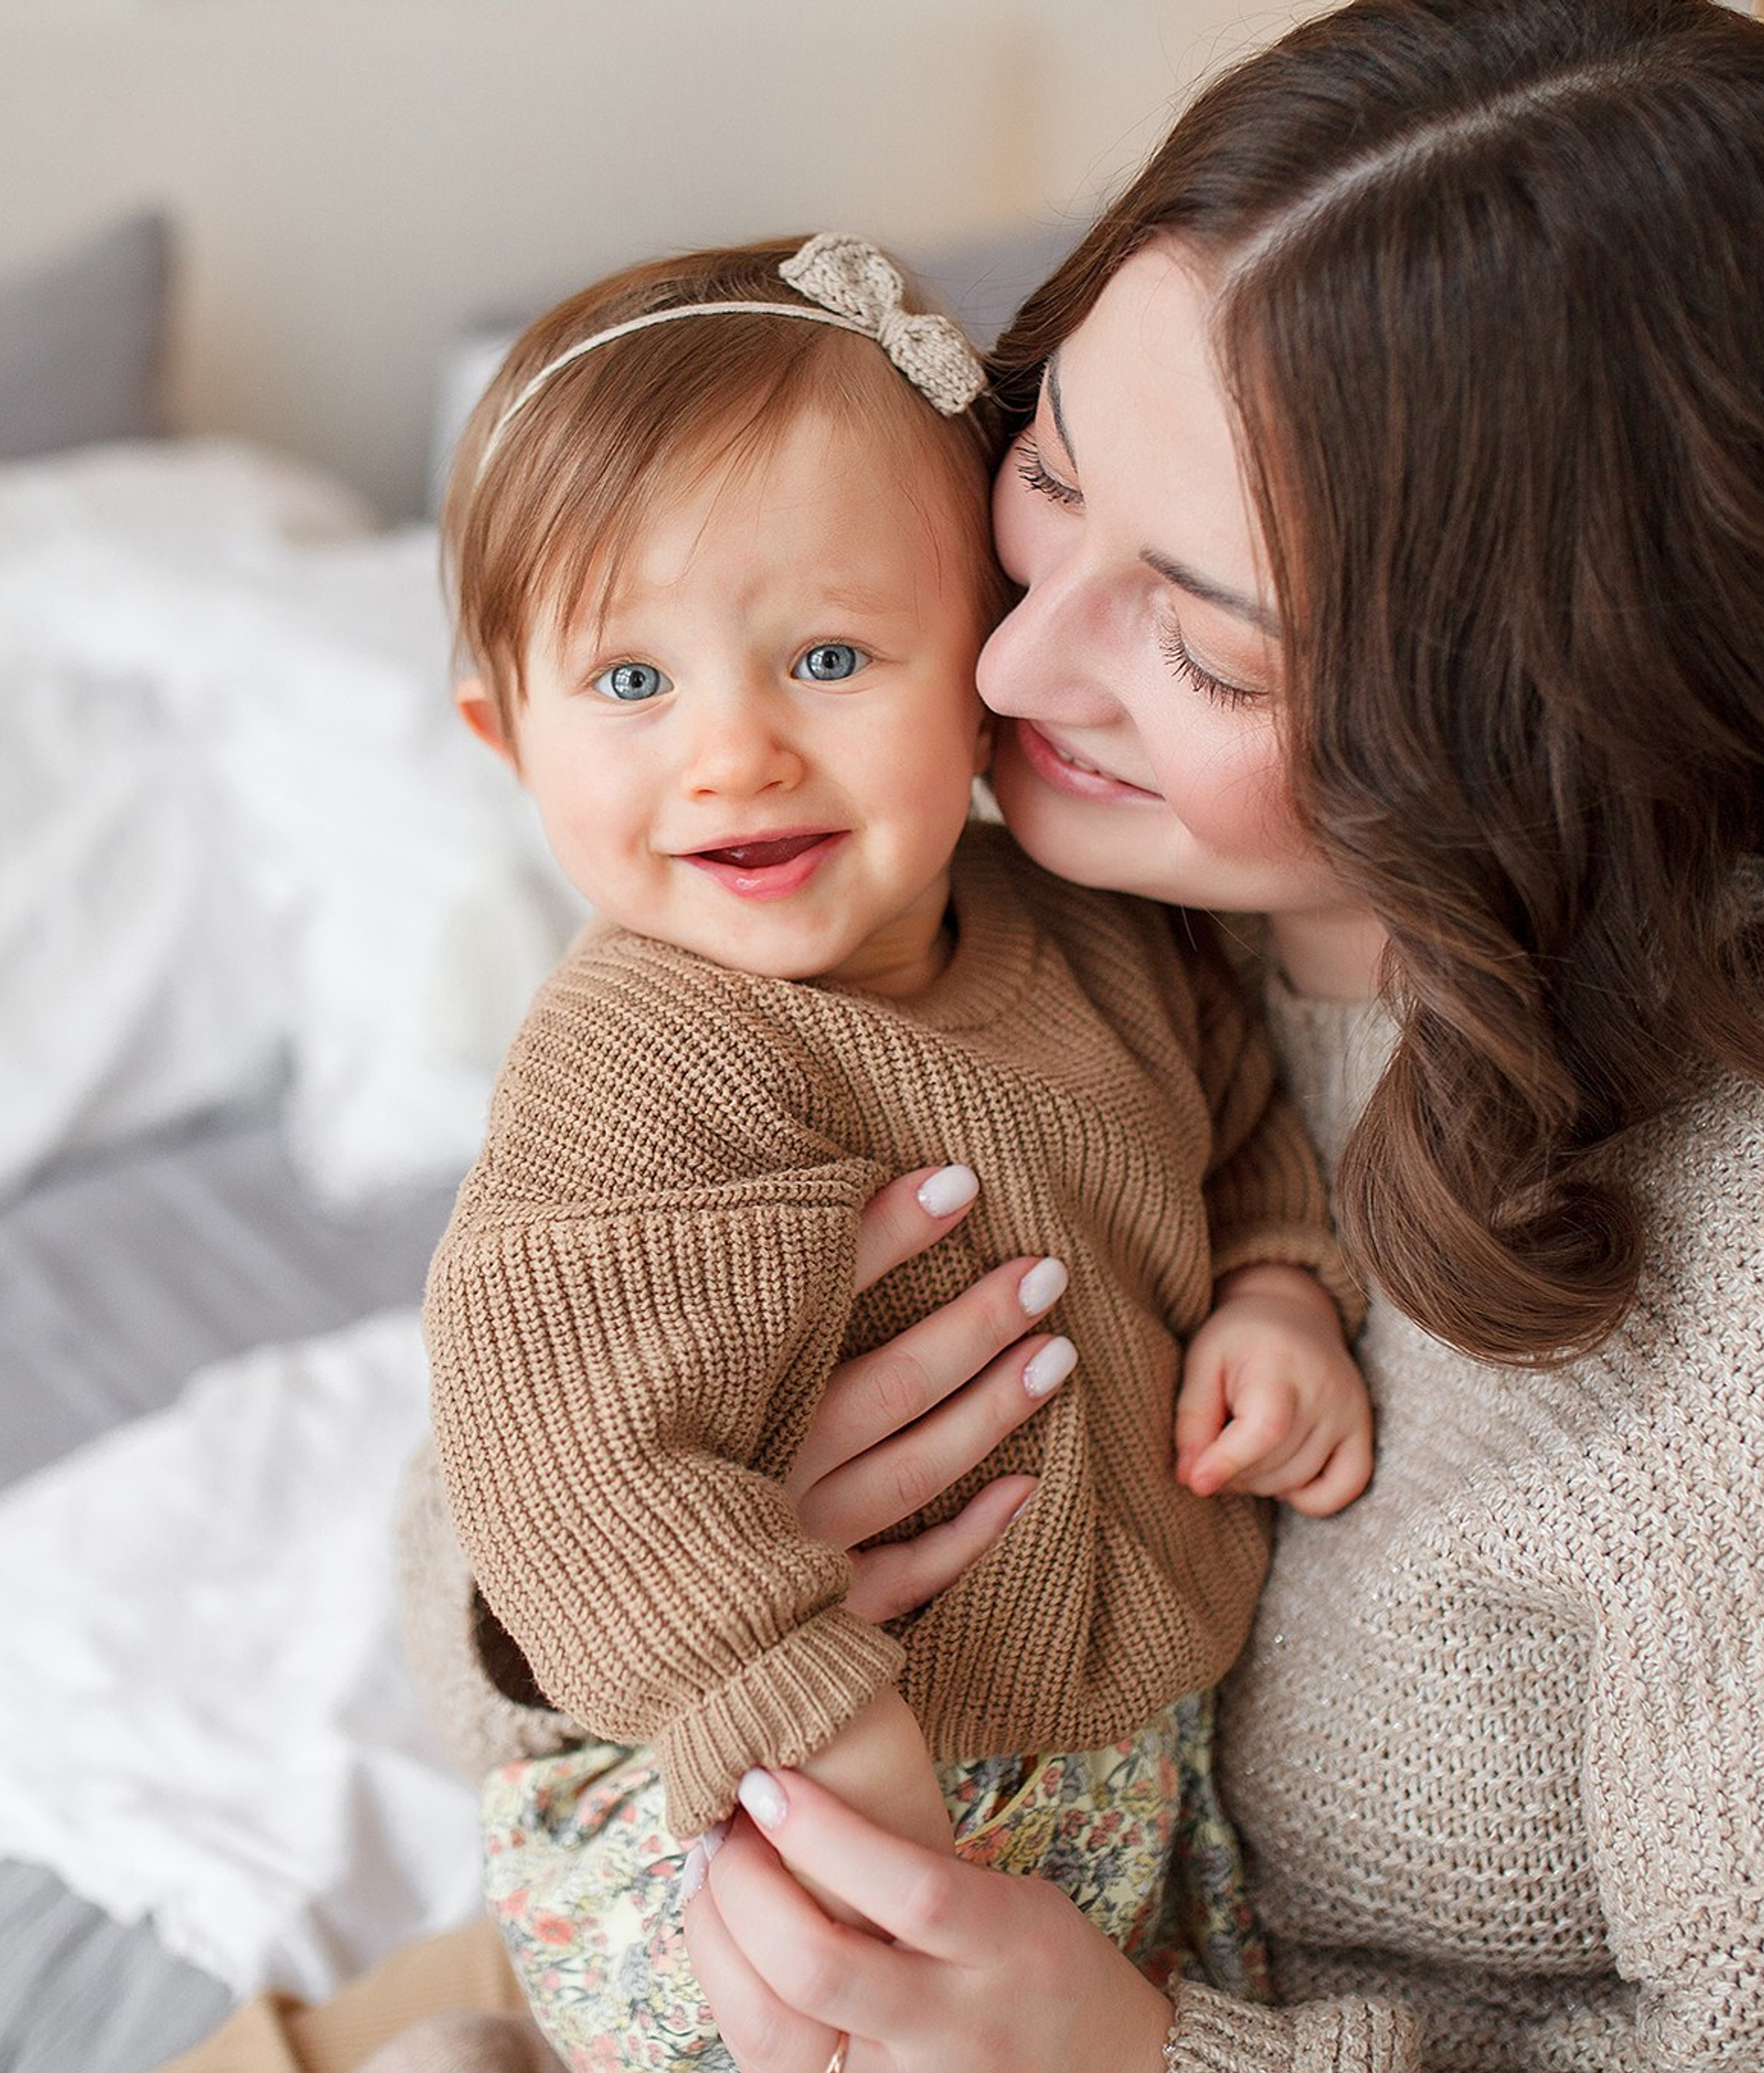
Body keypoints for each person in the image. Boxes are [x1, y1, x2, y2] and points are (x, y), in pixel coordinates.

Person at [667, 2, 1764, 2069]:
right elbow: (478, 1458)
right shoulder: (971, 887)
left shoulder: (1722, 1330)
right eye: (1047, 467)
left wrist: (1153, 2062)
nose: (1003, 660)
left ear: (1551, 708)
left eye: (1199, 638)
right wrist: (685, 1574)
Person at [411, 231, 1372, 2071]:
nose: (731, 755)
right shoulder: (646, 1060)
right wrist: (789, 1704)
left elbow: (1231, 1113)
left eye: (829, 653)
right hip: (780, 1794)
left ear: (985, 687)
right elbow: (562, 1455)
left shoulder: (1101, 934)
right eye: (628, 685)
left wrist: (1273, 1286)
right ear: (502, 736)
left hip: (1108, 1766)